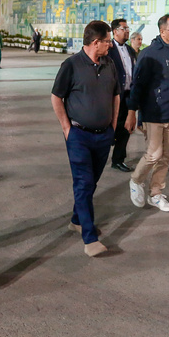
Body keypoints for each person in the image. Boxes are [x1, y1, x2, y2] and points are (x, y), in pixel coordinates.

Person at [51, 20, 119, 257]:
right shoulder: (71, 65)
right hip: (79, 135)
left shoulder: (109, 63)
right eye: (108, 41)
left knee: (92, 182)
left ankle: (76, 220)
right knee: (83, 182)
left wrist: (113, 125)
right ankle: (89, 238)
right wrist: (66, 128)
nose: (111, 45)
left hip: (103, 136)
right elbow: (56, 97)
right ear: (96, 42)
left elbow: (116, 95)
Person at [125, 14, 169, 212]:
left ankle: (156, 193)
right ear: (162, 31)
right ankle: (136, 180)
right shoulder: (149, 54)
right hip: (154, 113)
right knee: (154, 154)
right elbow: (138, 86)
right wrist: (132, 113)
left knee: (166, 157)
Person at [108, 18, 137, 172]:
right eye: (124, 28)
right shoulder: (108, 50)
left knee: (125, 129)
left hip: (128, 96)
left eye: (127, 28)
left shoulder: (130, 51)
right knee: (110, 128)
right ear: (115, 31)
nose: (127, 31)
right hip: (113, 97)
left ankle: (118, 159)